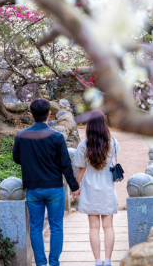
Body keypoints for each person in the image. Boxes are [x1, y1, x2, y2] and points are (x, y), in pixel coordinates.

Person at [13, 98, 80, 266]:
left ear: (31, 115)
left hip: (33, 188)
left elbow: (16, 158)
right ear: (49, 114)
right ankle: (54, 262)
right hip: (54, 188)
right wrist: (74, 187)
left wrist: (31, 162)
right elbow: (65, 164)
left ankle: (41, 264)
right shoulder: (57, 136)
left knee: (35, 228)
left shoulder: (22, 135)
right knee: (56, 226)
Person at [73, 110, 119, 266]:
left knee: (94, 227)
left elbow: (81, 169)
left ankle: (98, 261)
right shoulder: (113, 143)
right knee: (108, 226)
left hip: (90, 188)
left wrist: (76, 187)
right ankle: (108, 261)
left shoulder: (83, 145)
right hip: (107, 187)